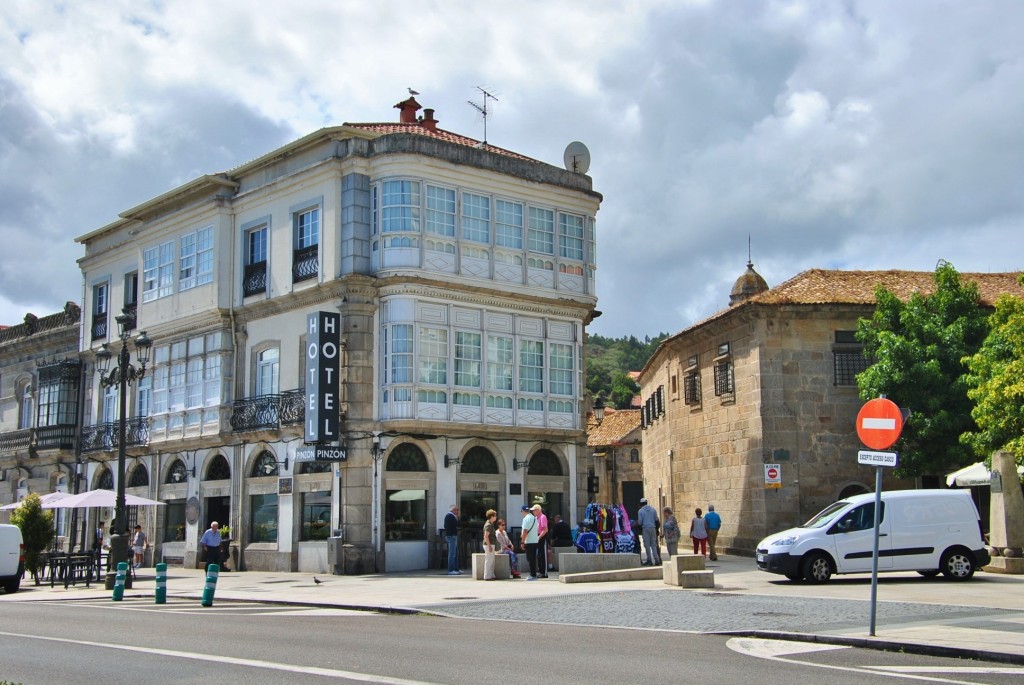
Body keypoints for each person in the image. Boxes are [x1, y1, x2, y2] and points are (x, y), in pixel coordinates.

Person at [637, 498, 661, 565]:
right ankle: (657, 560)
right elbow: (656, 520)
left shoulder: (640, 511)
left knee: (647, 545)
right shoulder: (653, 510)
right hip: (653, 528)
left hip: (645, 528)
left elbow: (640, 522)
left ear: (641, 504)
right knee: (654, 544)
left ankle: (649, 560)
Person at [520, 504, 540, 580]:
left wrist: (522, 542)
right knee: (533, 558)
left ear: (522, 511)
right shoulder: (534, 518)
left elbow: (525, 531)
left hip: (528, 541)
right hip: (535, 540)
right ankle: (533, 574)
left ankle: (532, 574)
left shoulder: (526, 519)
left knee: (530, 558)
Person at [443, 505, 460, 575]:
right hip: (452, 536)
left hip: (451, 536)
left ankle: (456, 569)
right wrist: (458, 517)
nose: (458, 511)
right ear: (453, 510)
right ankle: (451, 569)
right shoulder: (451, 516)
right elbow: (457, 524)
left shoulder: (449, 516)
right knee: (452, 553)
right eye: (457, 510)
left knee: (455, 553)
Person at [532, 504, 549, 577]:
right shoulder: (535, 518)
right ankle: (541, 571)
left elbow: (545, 529)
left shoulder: (543, 517)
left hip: (542, 537)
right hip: (537, 537)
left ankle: (544, 572)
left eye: (534, 510)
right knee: (539, 555)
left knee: (542, 555)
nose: (533, 512)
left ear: (538, 510)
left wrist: (539, 537)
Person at [482, 509, 498, 581]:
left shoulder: (491, 524)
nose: (496, 517)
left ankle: (491, 575)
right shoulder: (488, 525)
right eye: (495, 516)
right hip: (489, 544)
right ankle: (487, 576)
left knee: (491, 560)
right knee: (489, 560)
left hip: (491, 544)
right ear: (491, 516)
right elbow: (486, 536)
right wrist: (489, 546)